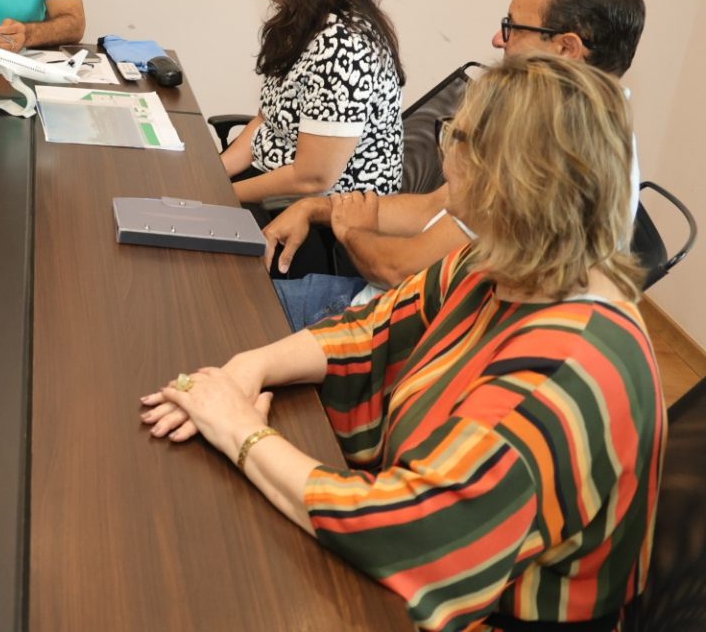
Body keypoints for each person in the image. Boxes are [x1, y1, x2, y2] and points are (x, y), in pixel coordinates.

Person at [142, 54, 664, 631]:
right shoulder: (509, 259)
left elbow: (403, 529)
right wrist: (249, 368)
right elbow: (375, 331)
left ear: (510, 179)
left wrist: (240, 431)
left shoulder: (562, 376)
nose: (443, 151)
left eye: (454, 136)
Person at [266, 0, 646, 330]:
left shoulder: (552, 157)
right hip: (374, 300)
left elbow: (398, 268)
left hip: (385, 329)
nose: (499, 39)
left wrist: (351, 230)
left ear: (566, 48)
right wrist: (317, 209)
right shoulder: (583, 129)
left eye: (513, 26)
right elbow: (432, 207)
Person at [220, 0, 404, 205]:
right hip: (274, 186)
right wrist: (211, 175)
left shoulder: (343, 46)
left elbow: (313, 178)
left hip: (319, 217)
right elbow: (266, 121)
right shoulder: (305, 24)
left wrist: (219, 195)